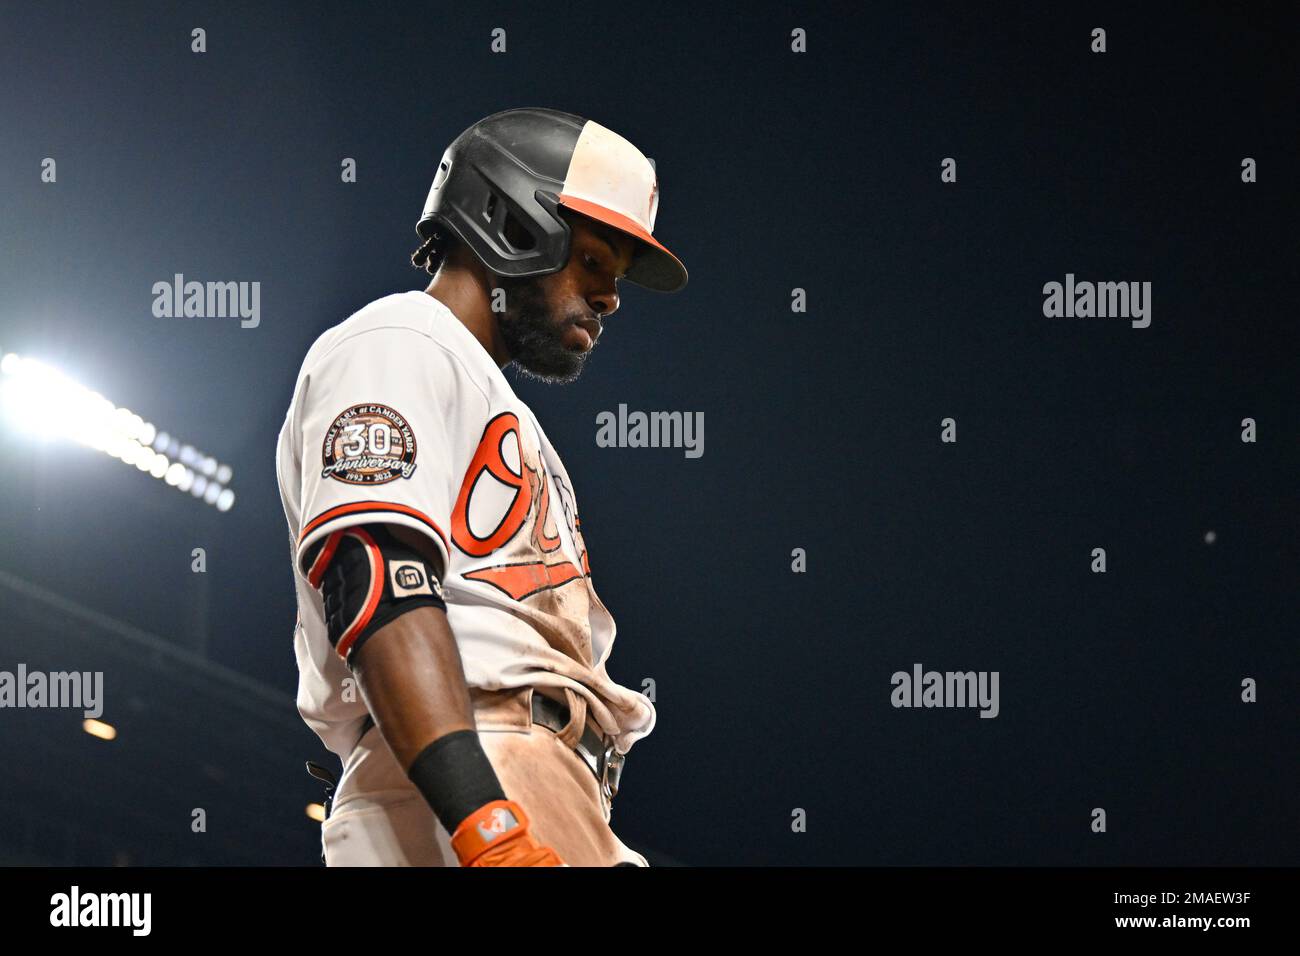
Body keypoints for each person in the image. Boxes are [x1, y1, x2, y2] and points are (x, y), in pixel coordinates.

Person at [276, 108, 688, 866]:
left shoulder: (499, 409)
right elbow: (378, 585)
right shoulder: (397, 341)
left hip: (545, 784)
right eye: (595, 262)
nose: (610, 300)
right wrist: (487, 828)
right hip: (463, 784)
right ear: (511, 221)